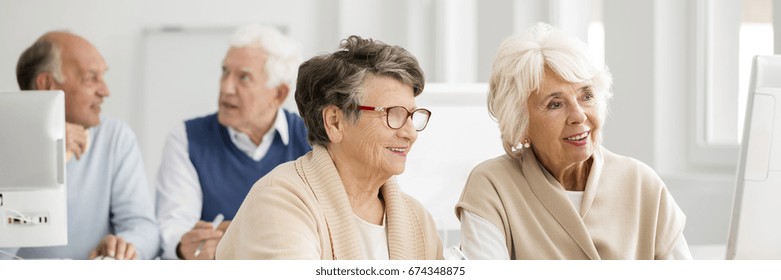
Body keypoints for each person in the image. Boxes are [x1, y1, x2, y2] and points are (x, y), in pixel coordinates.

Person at [455, 23, 692, 260]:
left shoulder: (642, 183)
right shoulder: (491, 187)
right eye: (555, 104)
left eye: (586, 96)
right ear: (521, 124)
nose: (579, 115)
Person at [216, 35, 442, 260]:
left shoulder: (418, 220)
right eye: (393, 114)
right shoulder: (278, 200)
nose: (410, 133)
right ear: (335, 121)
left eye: (411, 116)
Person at [155, 24, 312, 260]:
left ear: (278, 94)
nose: (226, 87)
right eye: (224, 72)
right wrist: (183, 246)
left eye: (244, 77)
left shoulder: (312, 138)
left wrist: (236, 234)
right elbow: (173, 228)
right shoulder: (186, 138)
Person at [1, 31, 159, 260]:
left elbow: (143, 227)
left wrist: (124, 247)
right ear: (46, 84)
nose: (105, 91)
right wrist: (40, 154)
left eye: (102, 77)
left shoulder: (115, 138)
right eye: (90, 78)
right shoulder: (4, 141)